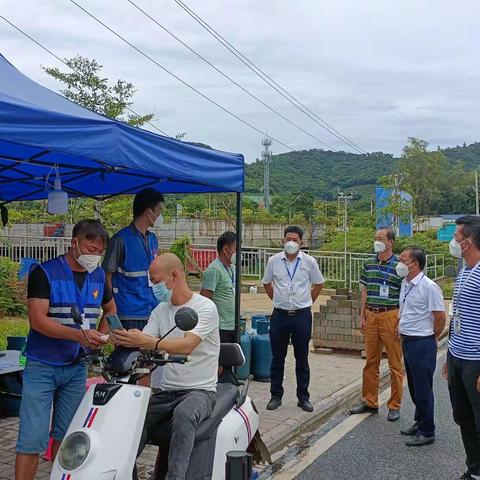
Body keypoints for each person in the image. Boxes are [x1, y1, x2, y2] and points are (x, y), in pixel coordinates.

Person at [15, 220, 116, 480]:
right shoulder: (44, 272)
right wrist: (79, 336)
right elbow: (37, 320)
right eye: (89, 247)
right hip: (42, 366)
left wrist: (102, 335)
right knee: (32, 439)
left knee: (68, 434)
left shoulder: (98, 276)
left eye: (98, 251)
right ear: (74, 243)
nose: (93, 255)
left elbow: (111, 309)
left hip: (75, 368)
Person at [113, 253, 220, 480]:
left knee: (184, 415)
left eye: (155, 280)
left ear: (174, 276)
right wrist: (126, 339)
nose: (152, 286)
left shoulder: (205, 308)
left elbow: (187, 345)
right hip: (167, 390)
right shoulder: (160, 311)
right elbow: (147, 343)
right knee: (132, 417)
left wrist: (146, 341)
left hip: (200, 391)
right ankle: (118, 472)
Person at [262, 225, 324, 413]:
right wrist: (278, 300)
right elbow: (266, 283)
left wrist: (306, 302)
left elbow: (319, 283)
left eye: (295, 240)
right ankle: (275, 396)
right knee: (277, 357)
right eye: (288, 239)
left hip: (302, 316)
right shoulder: (273, 261)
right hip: (280, 315)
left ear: (301, 242)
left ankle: (303, 397)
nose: (291, 242)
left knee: (301, 358)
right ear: (283, 240)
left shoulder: (309, 262)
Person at [350, 227, 403, 422]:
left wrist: (400, 320)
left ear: (390, 242)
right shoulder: (368, 263)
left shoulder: (400, 265)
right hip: (371, 314)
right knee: (370, 361)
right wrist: (362, 316)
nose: (377, 241)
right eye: (375, 238)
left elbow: (404, 294)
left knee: (395, 363)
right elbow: (364, 291)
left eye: (380, 239)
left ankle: (394, 405)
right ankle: (369, 401)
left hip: (391, 314)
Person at [396, 246, 445, 446]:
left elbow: (440, 317)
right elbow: (405, 309)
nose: (399, 263)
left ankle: (428, 430)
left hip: (422, 343)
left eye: (403, 259)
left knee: (423, 388)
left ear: (414, 264)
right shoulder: (405, 283)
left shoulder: (429, 286)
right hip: (407, 341)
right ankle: (420, 421)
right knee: (415, 387)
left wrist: (432, 336)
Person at [444, 215, 480, 480]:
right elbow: (459, 317)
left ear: (468, 242)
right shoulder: (464, 270)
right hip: (457, 355)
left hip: (476, 361)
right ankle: (474, 469)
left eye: (456, 237)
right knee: (463, 417)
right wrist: (449, 355)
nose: (453, 241)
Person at [103, 188, 165, 330]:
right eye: (159, 210)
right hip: (128, 313)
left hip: (150, 309)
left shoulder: (153, 239)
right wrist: (111, 306)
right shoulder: (120, 240)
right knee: (130, 352)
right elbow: (107, 276)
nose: (160, 215)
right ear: (149, 212)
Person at [200, 231, 237, 343]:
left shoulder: (232, 268)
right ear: (226, 250)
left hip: (233, 324)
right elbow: (205, 299)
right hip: (221, 327)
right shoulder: (214, 270)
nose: (239, 253)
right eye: (236, 249)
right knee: (223, 359)